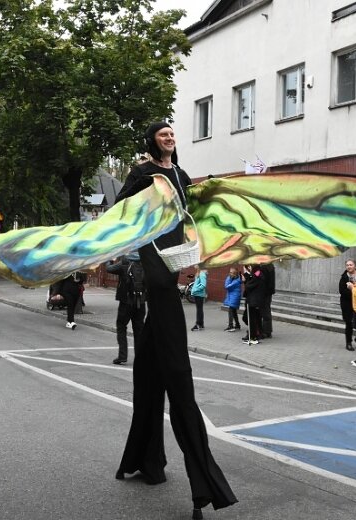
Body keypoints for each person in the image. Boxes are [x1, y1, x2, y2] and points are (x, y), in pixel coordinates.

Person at [113, 122, 237, 518]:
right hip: (155, 262)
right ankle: (204, 487)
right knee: (180, 386)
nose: (169, 136)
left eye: (172, 133)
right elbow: (121, 213)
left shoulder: (181, 174)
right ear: (152, 140)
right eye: (162, 133)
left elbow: (192, 217)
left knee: (149, 378)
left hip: (175, 260)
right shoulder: (142, 172)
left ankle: (144, 461)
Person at [106, 255, 146, 364]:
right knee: (139, 330)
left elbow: (109, 269)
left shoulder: (124, 262)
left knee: (121, 326)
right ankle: (140, 358)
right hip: (141, 302)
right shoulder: (146, 262)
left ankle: (122, 356)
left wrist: (109, 260)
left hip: (126, 302)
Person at [338, 259, 356, 351]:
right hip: (347, 304)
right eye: (347, 265)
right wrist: (353, 292)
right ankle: (349, 342)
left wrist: (353, 290)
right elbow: (342, 291)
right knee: (349, 323)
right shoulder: (344, 277)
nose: (349, 266)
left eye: (351, 265)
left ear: (355, 266)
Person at [242, 264, 265, 345]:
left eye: (251, 266)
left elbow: (249, 286)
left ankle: (253, 337)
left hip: (253, 301)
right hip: (255, 301)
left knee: (251, 319)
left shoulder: (257, 275)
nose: (249, 268)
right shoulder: (258, 274)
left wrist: (245, 281)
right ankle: (254, 335)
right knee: (253, 319)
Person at [259, 263, 275, 339]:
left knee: (265, 312)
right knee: (266, 311)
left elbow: (261, 277)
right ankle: (267, 331)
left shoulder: (265, 267)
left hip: (265, 292)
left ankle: (266, 331)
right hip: (268, 292)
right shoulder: (270, 266)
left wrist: (253, 271)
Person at [223, 267, 242, 332]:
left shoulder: (236, 281)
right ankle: (237, 325)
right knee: (233, 312)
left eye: (231, 272)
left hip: (235, 297)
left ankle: (230, 325)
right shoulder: (233, 279)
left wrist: (229, 278)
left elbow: (227, 286)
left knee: (231, 311)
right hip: (233, 296)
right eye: (229, 272)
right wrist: (230, 278)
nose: (229, 273)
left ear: (235, 274)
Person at [190, 266, 207, 331]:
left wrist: (195, 290)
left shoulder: (202, 274)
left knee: (199, 310)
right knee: (199, 309)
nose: (194, 265)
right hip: (197, 294)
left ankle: (198, 324)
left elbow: (203, 285)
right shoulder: (198, 273)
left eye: (196, 264)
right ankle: (201, 324)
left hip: (199, 295)